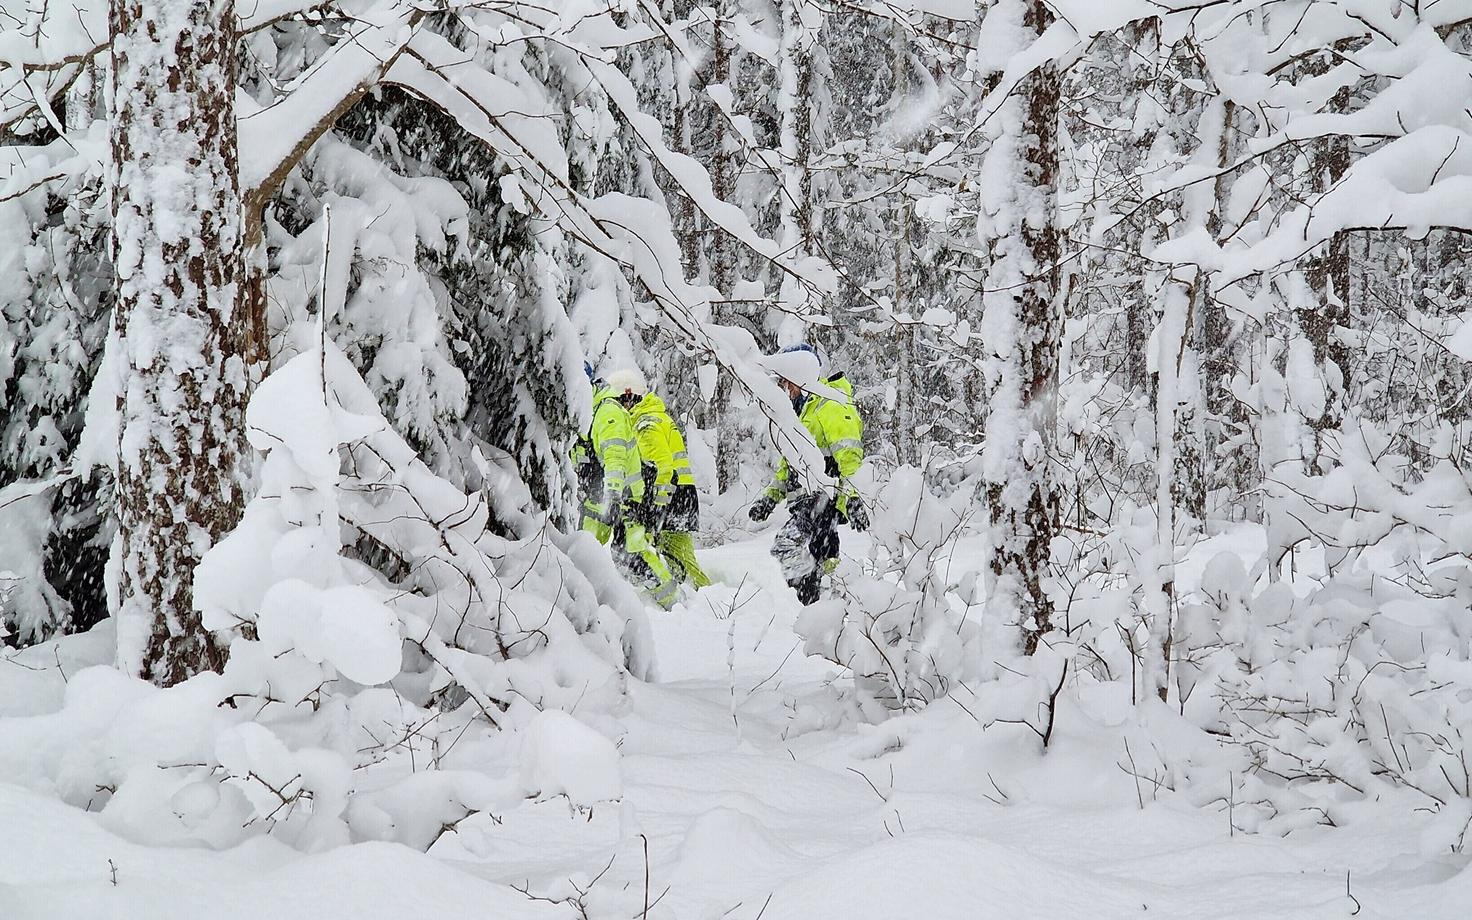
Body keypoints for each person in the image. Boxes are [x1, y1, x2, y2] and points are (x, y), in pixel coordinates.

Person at [748, 343, 869, 604]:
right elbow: (790, 463)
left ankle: (816, 599)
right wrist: (770, 497)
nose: (784, 390)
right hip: (809, 501)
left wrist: (854, 499)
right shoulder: (804, 412)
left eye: (785, 382)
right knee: (823, 555)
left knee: (786, 544)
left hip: (824, 499)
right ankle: (837, 603)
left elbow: (849, 458)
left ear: (799, 378)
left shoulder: (831, 405)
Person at [575, 366, 679, 610]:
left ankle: (675, 604)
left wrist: (612, 495)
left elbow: (615, 456)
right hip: (596, 496)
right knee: (583, 550)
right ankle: (579, 602)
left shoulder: (607, 412)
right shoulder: (587, 411)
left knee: (632, 553)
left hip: (625, 498)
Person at [631, 384, 712, 589]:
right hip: (682, 493)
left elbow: (663, 467)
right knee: (674, 552)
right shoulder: (657, 416)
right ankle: (690, 592)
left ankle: (706, 595)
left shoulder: (645, 424)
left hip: (673, 496)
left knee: (680, 555)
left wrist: (658, 506)